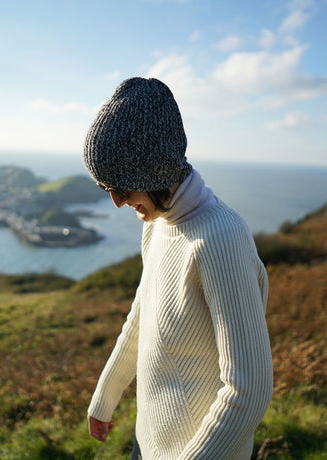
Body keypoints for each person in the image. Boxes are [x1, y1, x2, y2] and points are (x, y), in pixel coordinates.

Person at [83, 77, 273, 460]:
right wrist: (106, 394)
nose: (117, 202)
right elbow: (143, 315)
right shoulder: (157, 225)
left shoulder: (221, 238)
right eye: (106, 188)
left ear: (153, 172)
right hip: (148, 444)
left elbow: (248, 390)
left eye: (122, 186)